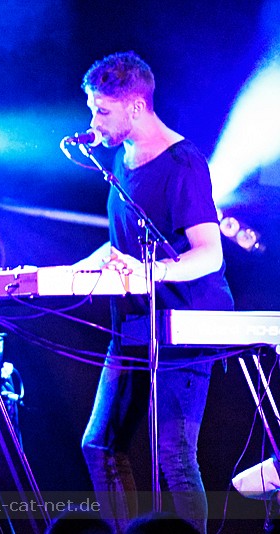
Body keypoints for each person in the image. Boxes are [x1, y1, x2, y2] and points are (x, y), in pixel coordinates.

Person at [72, 52, 234, 533]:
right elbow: (122, 245)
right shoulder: (121, 159)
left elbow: (209, 254)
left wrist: (148, 271)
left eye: (103, 111)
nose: (94, 122)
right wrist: (70, 273)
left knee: (174, 456)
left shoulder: (183, 163)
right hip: (133, 325)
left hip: (185, 323)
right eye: (92, 110)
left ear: (136, 107)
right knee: (99, 445)